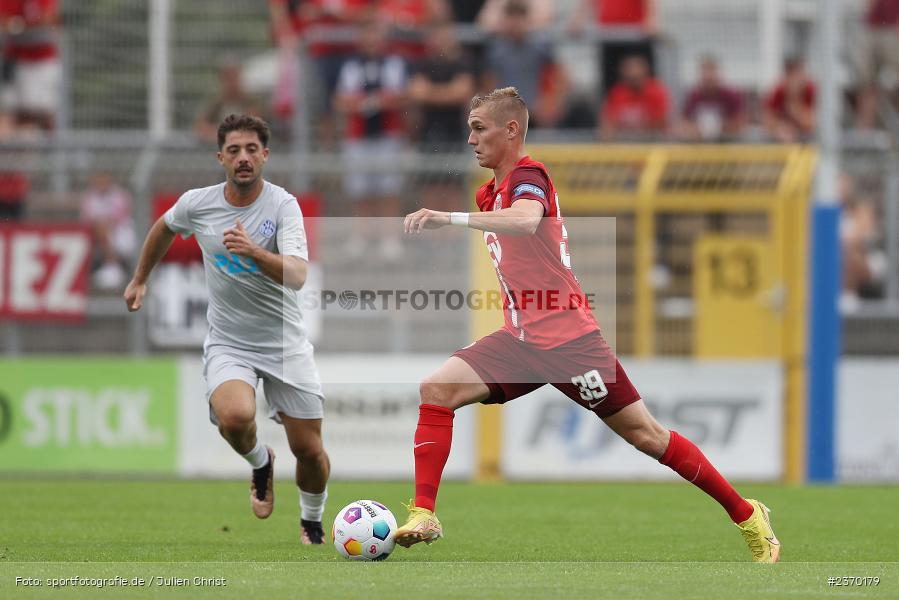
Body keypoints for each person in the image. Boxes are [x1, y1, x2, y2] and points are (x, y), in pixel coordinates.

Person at [397, 87, 781, 563]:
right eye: (470, 129)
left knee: (647, 437)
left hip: (570, 342)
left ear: (511, 130)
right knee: (437, 390)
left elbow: (524, 220)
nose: (470, 139)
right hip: (520, 341)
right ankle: (424, 512)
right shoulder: (488, 192)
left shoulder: (529, 175)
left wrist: (447, 218)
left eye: (479, 128)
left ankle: (747, 515)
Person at [124, 114, 330, 545]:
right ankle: (260, 462)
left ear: (265, 156)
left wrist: (255, 252)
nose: (243, 158)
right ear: (221, 157)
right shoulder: (198, 204)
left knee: (309, 449)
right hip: (229, 341)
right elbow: (164, 227)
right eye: (234, 150)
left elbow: (296, 275)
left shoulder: (282, 206)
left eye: (252, 150)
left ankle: (311, 520)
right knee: (236, 418)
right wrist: (141, 277)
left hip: (285, 343)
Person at [0, 0, 60, 130]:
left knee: (42, 111)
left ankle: (47, 147)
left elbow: (47, 20)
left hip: (41, 62)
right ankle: (18, 146)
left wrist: (18, 26)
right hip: (14, 62)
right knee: (12, 113)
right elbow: (3, 22)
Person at [80, 172, 137, 291]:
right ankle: (111, 264)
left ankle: (112, 264)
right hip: (98, 233)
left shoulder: (120, 195)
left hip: (121, 231)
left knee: (104, 229)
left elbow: (120, 217)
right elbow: (88, 218)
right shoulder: (90, 197)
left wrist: (105, 222)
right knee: (101, 229)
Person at [194, 60, 265, 145]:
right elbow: (201, 126)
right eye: (228, 77)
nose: (232, 82)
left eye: (235, 77)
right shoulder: (215, 103)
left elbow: (254, 124)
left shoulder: (251, 101)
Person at [599, 54, 669, 140]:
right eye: (631, 77)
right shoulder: (617, 93)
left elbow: (662, 122)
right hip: (624, 142)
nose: (634, 77)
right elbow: (608, 122)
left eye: (637, 77)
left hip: (651, 141)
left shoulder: (656, 91)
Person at [679, 55, 745, 142]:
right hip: (700, 144)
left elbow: (740, 123)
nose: (708, 77)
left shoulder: (731, 95)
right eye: (705, 73)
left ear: (718, 74)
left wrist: (717, 128)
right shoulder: (694, 96)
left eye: (711, 73)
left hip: (727, 144)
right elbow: (683, 122)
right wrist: (696, 129)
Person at [762, 58, 816, 143]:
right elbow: (767, 121)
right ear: (786, 78)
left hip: (807, 142)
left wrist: (794, 106)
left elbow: (810, 124)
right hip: (782, 142)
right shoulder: (779, 91)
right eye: (792, 77)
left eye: (799, 76)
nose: (796, 82)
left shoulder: (810, 90)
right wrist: (780, 127)